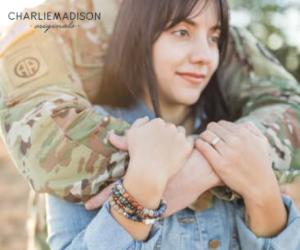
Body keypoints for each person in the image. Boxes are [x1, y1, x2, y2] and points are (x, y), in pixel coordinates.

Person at [0, 0, 299, 249]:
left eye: (214, 38)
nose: (204, 55)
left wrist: (219, 161)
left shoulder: (210, 22)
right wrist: (145, 186)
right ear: (138, 38)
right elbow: (48, 140)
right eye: (181, 32)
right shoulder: (51, 22)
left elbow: (290, 106)